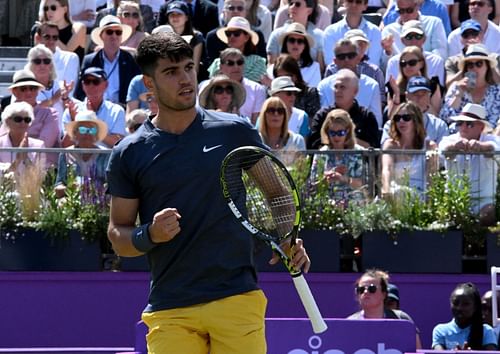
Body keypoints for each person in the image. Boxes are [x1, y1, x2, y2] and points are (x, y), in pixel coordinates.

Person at [106, 32, 310, 353]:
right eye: (171, 72)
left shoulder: (235, 130)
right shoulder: (129, 152)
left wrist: (286, 235)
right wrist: (150, 234)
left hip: (236, 298)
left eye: (188, 67)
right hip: (170, 307)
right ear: (149, 83)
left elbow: (277, 191)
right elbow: (118, 234)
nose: (185, 79)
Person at [439, 103, 500, 226]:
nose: (463, 127)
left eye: (469, 124)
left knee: (489, 214)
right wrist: (454, 147)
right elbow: (443, 151)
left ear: (481, 127)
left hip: (484, 201)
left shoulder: (492, 140)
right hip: (456, 199)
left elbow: (495, 149)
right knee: (450, 215)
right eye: (460, 123)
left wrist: (481, 147)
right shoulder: (449, 140)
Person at [75, 15, 141, 105]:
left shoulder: (130, 60)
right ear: (101, 36)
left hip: (123, 109)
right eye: (109, 32)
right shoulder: (90, 60)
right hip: (95, 109)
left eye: (118, 32)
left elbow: (137, 90)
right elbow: (80, 92)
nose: (114, 36)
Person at [347, 269, 422, 349]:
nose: (365, 292)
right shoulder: (348, 324)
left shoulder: (401, 319)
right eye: (361, 289)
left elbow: (417, 350)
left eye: (372, 289)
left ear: (384, 294)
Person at [318, 40, 382, 128]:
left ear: (358, 58)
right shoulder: (324, 85)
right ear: (335, 61)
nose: (346, 60)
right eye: (341, 57)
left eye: (351, 56)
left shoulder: (372, 85)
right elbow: (323, 121)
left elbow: (377, 123)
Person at [309, 69, 380, 149]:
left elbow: (373, 147)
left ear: (355, 91)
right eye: (336, 87)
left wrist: (346, 138)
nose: (337, 91)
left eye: (342, 87)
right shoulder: (322, 116)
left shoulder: (366, 117)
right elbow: (314, 145)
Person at [381, 101, 438, 197]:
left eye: (406, 118)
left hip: (421, 195)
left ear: (416, 120)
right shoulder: (390, 145)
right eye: (397, 118)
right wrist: (386, 190)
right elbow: (387, 169)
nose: (401, 121)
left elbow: (432, 177)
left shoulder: (430, 146)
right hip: (396, 196)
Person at [309, 109, 366, 204]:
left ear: (347, 131)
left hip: (354, 208)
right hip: (327, 206)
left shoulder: (358, 153)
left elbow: (364, 184)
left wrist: (343, 179)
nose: (336, 137)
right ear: (327, 132)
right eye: (332, 133)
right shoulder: (321, 154)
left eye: (340, 133)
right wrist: (326, 179)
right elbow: (312, 186)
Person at [62, 67, 126, 148]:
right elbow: (65, 145)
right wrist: (75, 122)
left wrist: (92, 120)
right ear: (82, 85)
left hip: (106, 159)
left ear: (106, 85)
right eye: (87, 82)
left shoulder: (116, 111)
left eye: (96, 82)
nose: (91, 85)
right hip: (78, 159)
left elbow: (118, 144)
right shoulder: (72, 110)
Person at [200, 48, 267, 124]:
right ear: (221, 67)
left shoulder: (257, 89)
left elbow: (256, 123)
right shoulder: (205, 86)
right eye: (230, 63)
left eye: (239, 62)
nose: (236, 66)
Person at [440, 44, 500, 128]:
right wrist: (458, 94)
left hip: (489, 138)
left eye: (479, 64)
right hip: (459, 136)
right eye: (470, 65)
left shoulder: (497, 91)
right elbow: (445, 118)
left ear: (487, 66)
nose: (474, 68)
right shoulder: (456, 87)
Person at [54, 110, 109, 199]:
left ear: (96, 134)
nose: (87, 133)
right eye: (83, 130)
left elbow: (111, 185)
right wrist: (71, 188)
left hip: (98, 200)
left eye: (92, 130)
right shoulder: (65, 154)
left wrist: (93, 188)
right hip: (71, 199)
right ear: (75, 133)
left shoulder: (105, 154)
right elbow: (59, 184)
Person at [381, 76, 449, 146]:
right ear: (407, 96)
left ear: (429, 96)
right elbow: (385, 151)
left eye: (423, 94)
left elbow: (442, 154)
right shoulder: (392, 125)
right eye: (415, 94)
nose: (419, 98)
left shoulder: (439, 126)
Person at [432, 282, 497, 350]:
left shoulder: (486, 331)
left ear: (475, 307)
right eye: (455, 303)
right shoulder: (440, 330)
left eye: (465, 304)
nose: (459, 308)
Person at [266, 0, 325, 72]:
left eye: (297, 4)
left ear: (309, 11)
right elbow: (271, 66)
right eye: (291, 4)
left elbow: (320, 69)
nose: (292, 7)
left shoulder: (320, 36)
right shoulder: (276, 34)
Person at [380, 0, 447, 61]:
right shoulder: (388, 30)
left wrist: (419, 66)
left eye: (409, 10)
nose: (405, 15)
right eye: (401, 11)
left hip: (429, 71)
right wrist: (388, 52)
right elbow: (385, 67)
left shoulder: (434, 23)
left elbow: (441, 54)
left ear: (417, 7)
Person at [322, 0, 382, 67]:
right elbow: (331, 63)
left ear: (365, 5)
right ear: (344, 3)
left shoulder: (375, 31)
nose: (354, 5)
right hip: (338, 76)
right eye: (350, 1)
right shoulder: (330, 31)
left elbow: (374, 63)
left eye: (358, 2)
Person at [386, 45, 442, 117]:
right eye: (403, 63)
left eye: (412, 63)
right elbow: (391, 118)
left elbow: (435, 116)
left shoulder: (432, 85)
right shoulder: (394, 87)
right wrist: (397, 95)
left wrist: (423, 91)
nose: (407, 66)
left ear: (421, 64)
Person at [207, 17, 267, 84]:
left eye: (236, 33)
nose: (232, 36)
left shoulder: (257, 61)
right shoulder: (217, 62)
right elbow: (213, 85)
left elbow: (251, 85)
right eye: (228, 33)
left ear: (246, 37)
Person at [33, 21, 79, 98]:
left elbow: (68, 91)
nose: (51, 41)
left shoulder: (70, 58)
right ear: (38, 38)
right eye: (47, 37)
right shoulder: (33, 59)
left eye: (55, 37)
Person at [0, 102, 46, 174]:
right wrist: (18, 160)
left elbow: (39, 177)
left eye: (27, 120)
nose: (23, 123)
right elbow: (2, 174)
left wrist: (26, 158)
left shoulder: (39, 146)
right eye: (18, 119)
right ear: (7, 121)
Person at [258, 96, 306, 165]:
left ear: (285, 115)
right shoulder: (256, 141)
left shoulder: (297, 141)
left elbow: (301, 170)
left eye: (280, 111)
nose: (276, 114)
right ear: (264, 115)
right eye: (271, 110)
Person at [272, 54, 320, 121]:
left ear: (296, 75)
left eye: (288, 76)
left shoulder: (310, 93)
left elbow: (313, 120)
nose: (285, 79)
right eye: (280, 77)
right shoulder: (271, 94)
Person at [163, 1, 206, 76]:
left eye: (179, 14)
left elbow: (195, 67)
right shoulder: (163, 36)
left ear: (186, 17)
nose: (175, 17)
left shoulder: (196, 36)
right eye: (172, 15)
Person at [273, 22, 321, 87]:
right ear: (285, 44)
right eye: (291, 40)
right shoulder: (274, 67)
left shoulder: (314, 67)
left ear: (305, 46)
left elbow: (313, 91)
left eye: (300, 41)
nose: (295, 44)